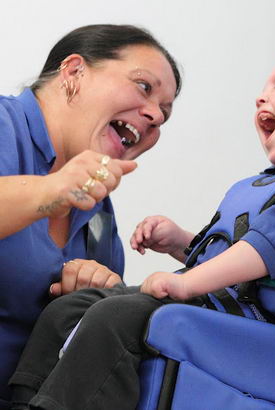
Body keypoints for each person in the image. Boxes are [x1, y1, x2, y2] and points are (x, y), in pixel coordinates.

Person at [9, 46, 275, 410]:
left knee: (117, 319)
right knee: (70, 309)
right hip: (226, 304)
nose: (261, 97)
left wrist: (187, 282)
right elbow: (235, 253)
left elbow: (266, 252)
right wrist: (183, 243)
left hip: (260, 324)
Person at [0, 23, 181, 409]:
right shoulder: (4, 125)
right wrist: (53, 190)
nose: (155, 117)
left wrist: (97, 294)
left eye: (164, 114)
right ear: (73, 72)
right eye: (144, 87)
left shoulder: (99, 215)